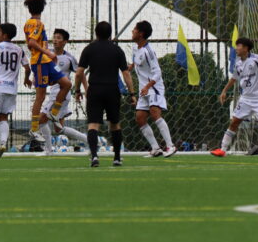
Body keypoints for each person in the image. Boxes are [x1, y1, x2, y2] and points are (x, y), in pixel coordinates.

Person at [73, 21, 135, 167]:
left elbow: (79, 73)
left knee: (93, 124)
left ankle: (94, 156)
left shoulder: (89, 49)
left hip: (94, 89)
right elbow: (126, 73)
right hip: (112, 89)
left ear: (96, 33)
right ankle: (117, 158)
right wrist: (132, 93)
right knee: (115, 124)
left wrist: (77, 90)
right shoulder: (117, 50)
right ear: (110, 34)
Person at [23, 0, 72, 143]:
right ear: (42, 9)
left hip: (47, 62)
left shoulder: (29, 23)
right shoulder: (37, 23)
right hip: (40, 62)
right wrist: (48, 53)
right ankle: (34, 129)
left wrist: (48, 56)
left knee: (67, 84)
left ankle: (54, 114)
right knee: (41, 96)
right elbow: (31, 43)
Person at [130, 21, 177, 158]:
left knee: (155, 113)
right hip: (144, 89)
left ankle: (170, 146)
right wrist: (131, 66)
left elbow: (157, 73)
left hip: (153, 87)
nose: (132, 31)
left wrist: (147, 87)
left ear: (141, 34)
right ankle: (156, 148)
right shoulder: (136, 49)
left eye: (134, 29)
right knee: (140, 118)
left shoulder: (148, 51)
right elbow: (137, 62)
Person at [39, 29, 89, 154]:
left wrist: (85, 89)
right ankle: (89, 140)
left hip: (61, 94)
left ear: (65, 42)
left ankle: (48, 150)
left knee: (41, 119)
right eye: (54, 37)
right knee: (59, 129)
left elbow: (80, 73)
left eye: (59, 38)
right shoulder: (48, 54)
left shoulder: (69, 58)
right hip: (54, 93)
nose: (55, 40)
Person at [0, 23, 31, 158]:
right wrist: (26, 79)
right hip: (11, 88)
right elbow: (27, 67)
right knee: (4, 117)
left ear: (4, 35)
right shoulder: (19, 49)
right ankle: (3, 143)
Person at [212, 37, 258, 157]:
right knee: (234, 122)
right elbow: (234, 78)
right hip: (245, 99)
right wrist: (224, 91)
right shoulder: (238, 63)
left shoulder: (256, 59)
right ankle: (222, 150)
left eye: (238, 46)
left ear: (246, 48)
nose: (236, 48)